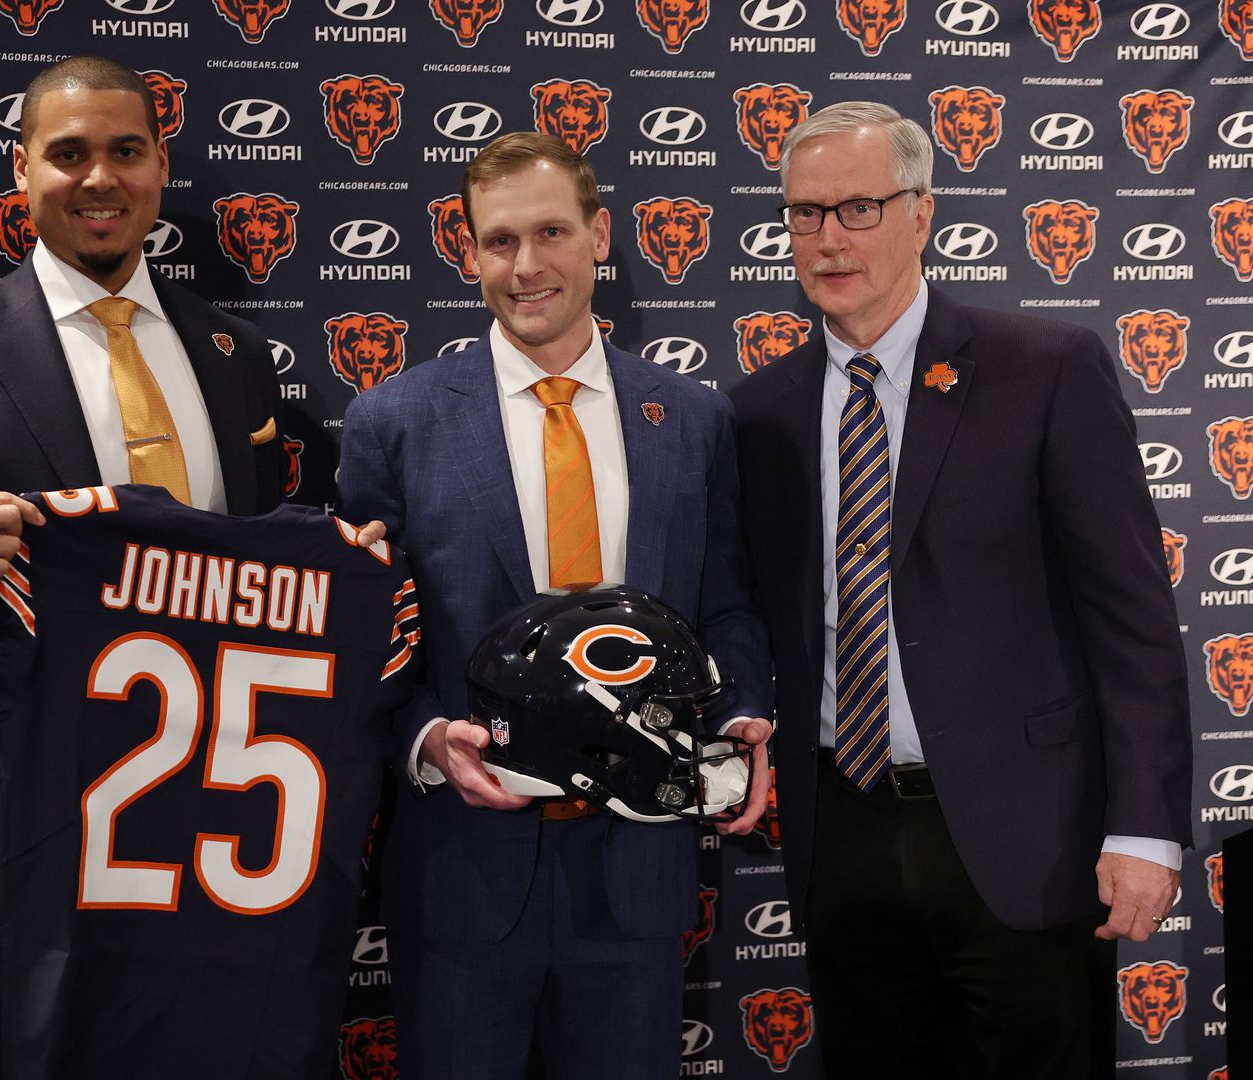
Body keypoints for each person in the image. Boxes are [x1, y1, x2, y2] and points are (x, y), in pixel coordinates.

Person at [729, 100, 1190, 1078]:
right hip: (843, 833)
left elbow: (1133, 622)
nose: (828, 238)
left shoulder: (1045, 370)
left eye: (857, 208)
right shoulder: (758, 410)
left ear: (922, 214)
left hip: (1026, 837)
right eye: (803, 215)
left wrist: (1145, 827)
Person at [334, 131, 774, 1078]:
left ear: (600, 235)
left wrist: (741, 711)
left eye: (551, 232)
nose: (526, 266)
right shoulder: (393, 423)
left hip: (639, 871)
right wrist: (423, 739)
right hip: (460, 872)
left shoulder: (692, 418)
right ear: (467, 252)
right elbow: (365, 635)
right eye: (498, 241)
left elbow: (725, 602)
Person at [0, 54, 286, 947]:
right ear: (23, 168)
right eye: (69, 152)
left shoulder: (234, 358)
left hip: (211, 838)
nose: (99, 179)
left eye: (127, 150)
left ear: (162, 165)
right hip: (15, 844)